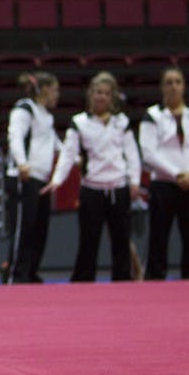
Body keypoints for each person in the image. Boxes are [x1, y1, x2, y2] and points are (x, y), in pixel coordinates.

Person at [43, 71, 140, 282]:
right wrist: (57, 180)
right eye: (97, 92)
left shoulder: (122, 122)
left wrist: (135, 181)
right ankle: (84, 280)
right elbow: (68, 154)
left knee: (121, 240)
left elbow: (132, 154)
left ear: (112, 97)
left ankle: (123, 279)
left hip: (118, 187)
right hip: (92, 189)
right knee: (89, 239)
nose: (101, 97)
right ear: (90, 94)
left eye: (106, 93)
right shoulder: (79, 123)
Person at [138, 67, 189, 280]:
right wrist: (176, 174)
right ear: (162, 87)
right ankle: (155, 274)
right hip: (164, 183)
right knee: (159, 235)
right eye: (169, 82)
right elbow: (148, 153)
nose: (173, 86)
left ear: (184, 86)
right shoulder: (152, 115)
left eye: (178, 82)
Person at [3, 71, 60, 284]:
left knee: (39, 228)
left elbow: (54, 142)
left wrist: (74, 158)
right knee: (23, 228)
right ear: (45, 89)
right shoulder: (24, 108)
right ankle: (16, 274)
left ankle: (30, 271)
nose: (57, 95)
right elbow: (15, 135)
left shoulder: (46, 115)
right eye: (55, 90)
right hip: (24, 177)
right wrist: (21, 163)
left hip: (41, 179)